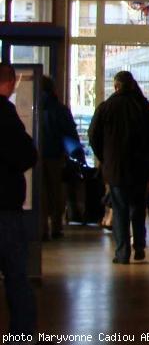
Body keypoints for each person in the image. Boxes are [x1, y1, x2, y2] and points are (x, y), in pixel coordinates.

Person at [89, 71, 149, 264]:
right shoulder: (145, 108)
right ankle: (139, 246)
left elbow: (93, 135)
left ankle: (122, 253)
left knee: (120, 209)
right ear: (133, 85)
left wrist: (104, 157)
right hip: (141, 169)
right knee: (138, 209)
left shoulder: (106, 108)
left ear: (116, 86)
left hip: (116, 169)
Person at [0, 63, 38, 336]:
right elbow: (26, 153)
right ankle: (22, 335)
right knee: (15, 275)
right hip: (5, 206)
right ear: (10, 82)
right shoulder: (5, 113)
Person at [39, 75, 81, 240]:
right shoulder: (60, 109)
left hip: (36, 157)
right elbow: (70, 133)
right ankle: (56, 226)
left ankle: (42, 228)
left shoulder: (33, 106)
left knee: (40, 193)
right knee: (56, 192)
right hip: (56, 157)